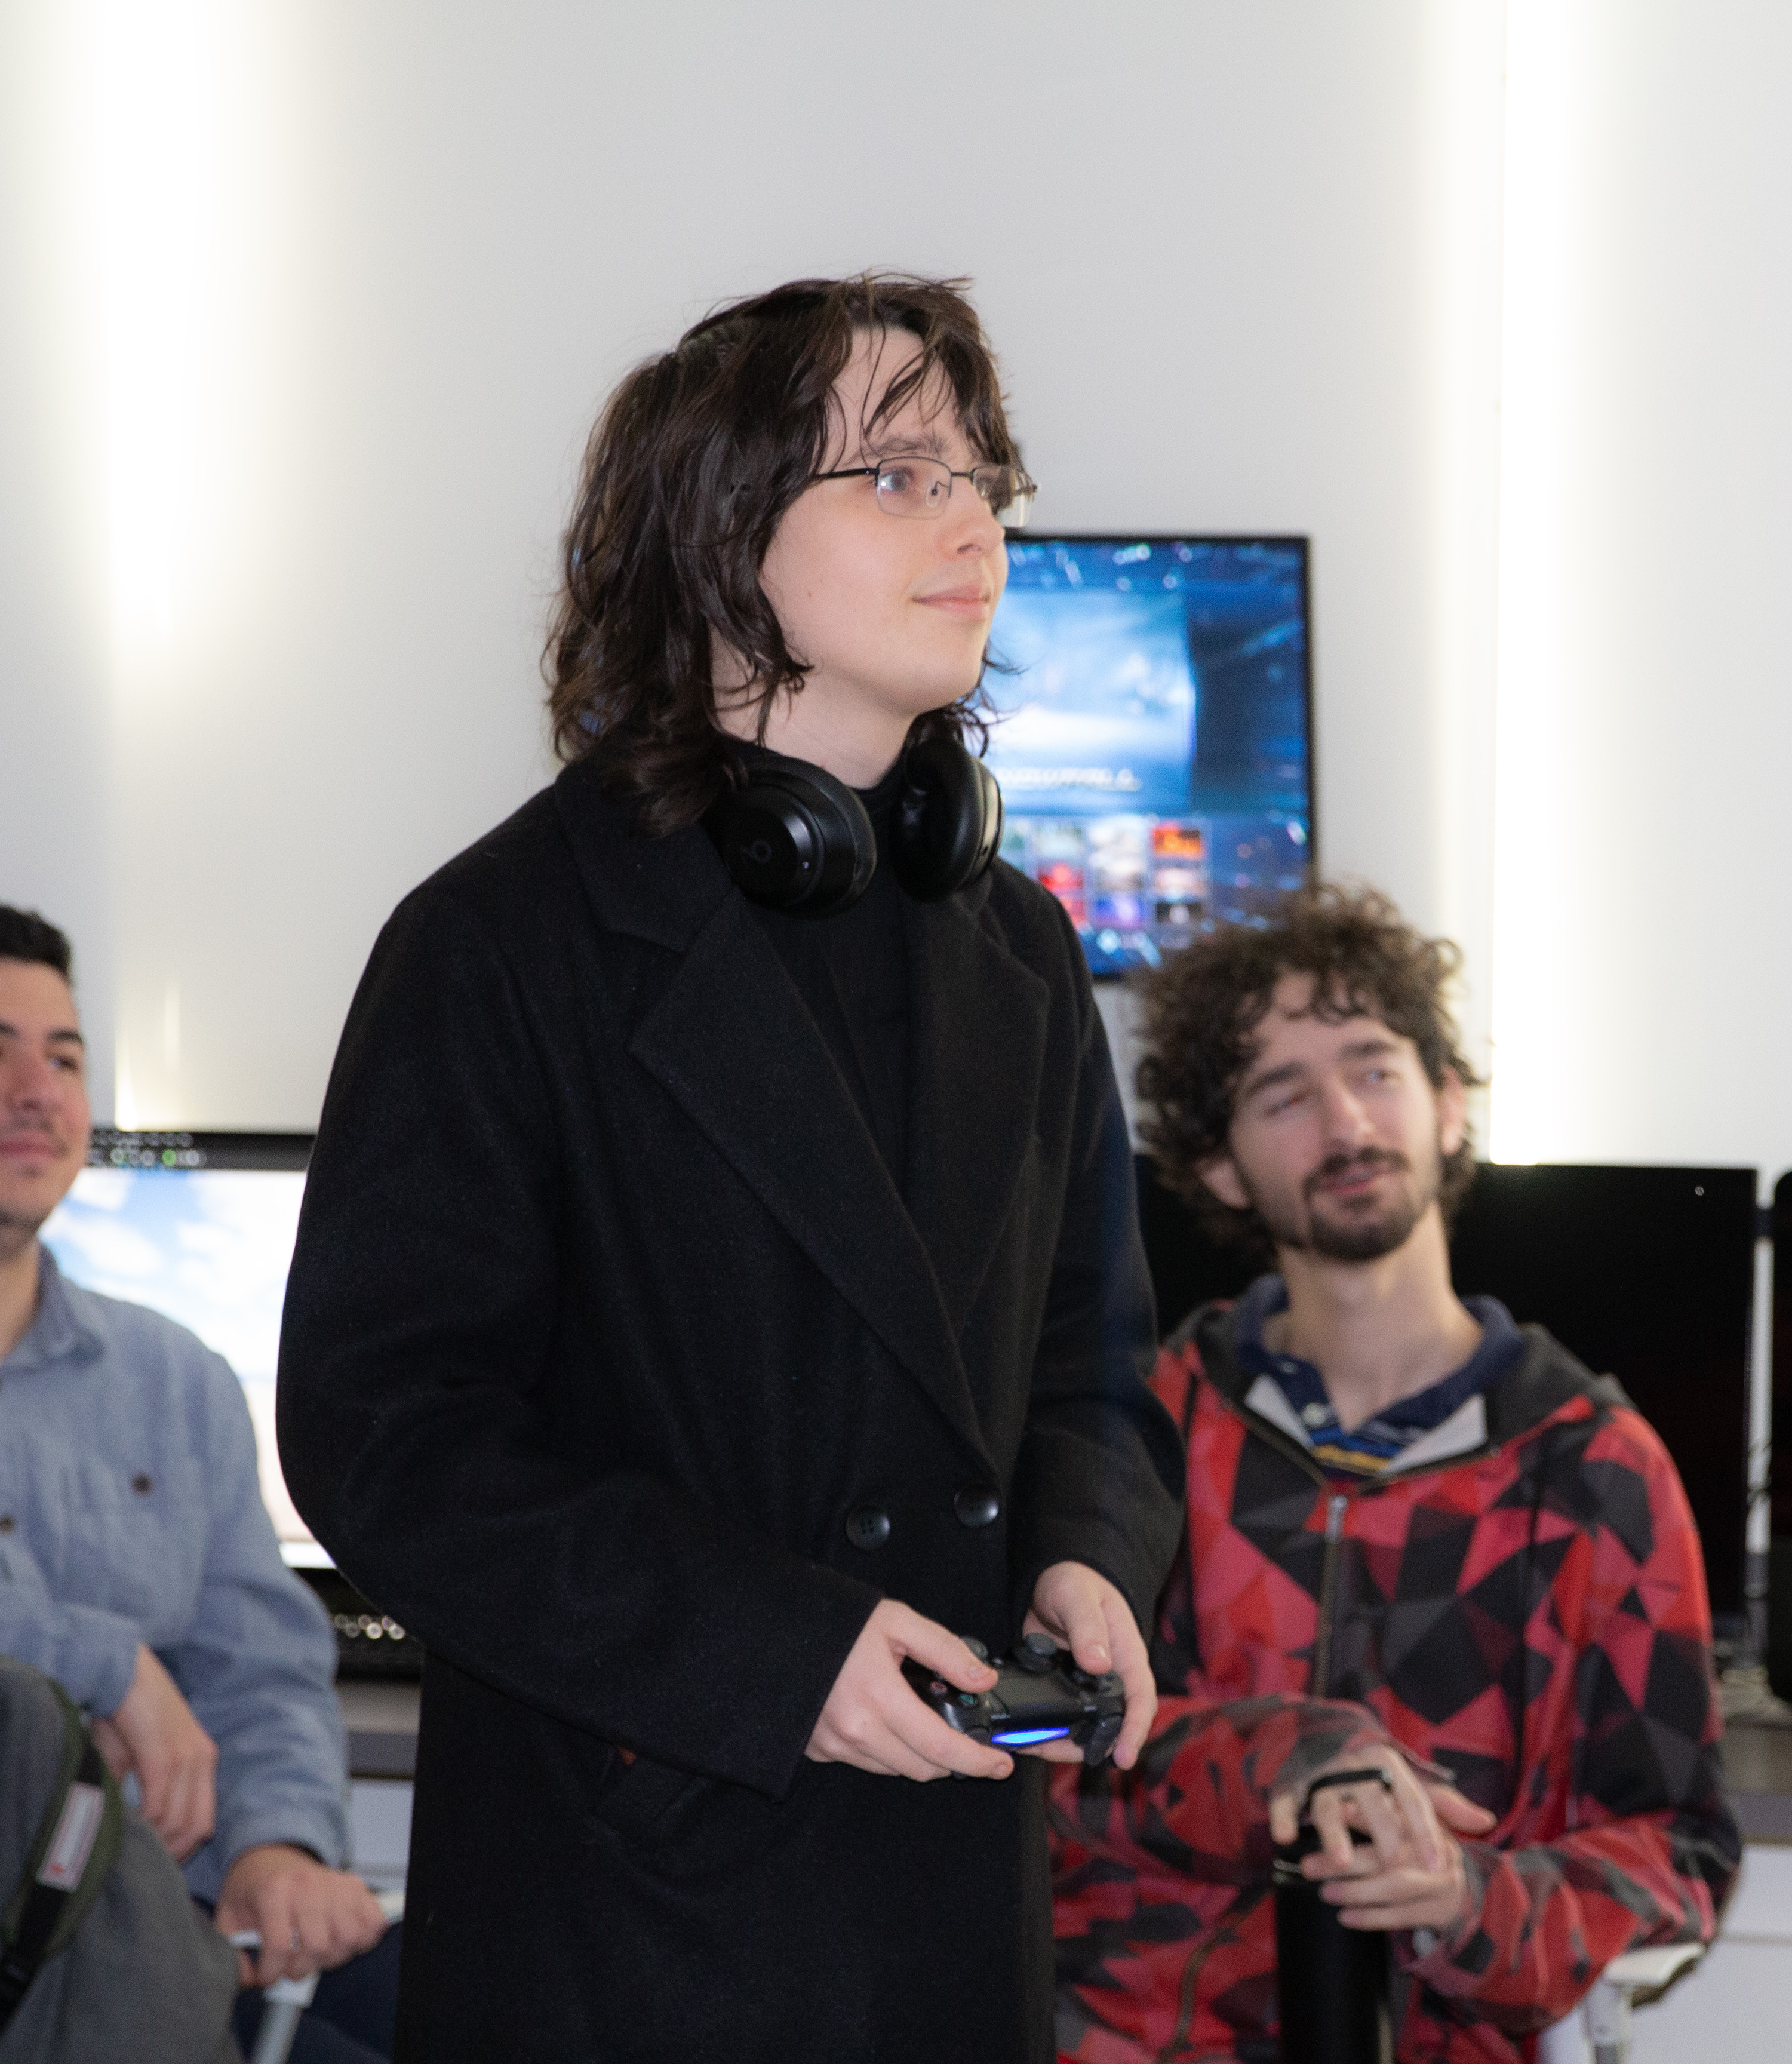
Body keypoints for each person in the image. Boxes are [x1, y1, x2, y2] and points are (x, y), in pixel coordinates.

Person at [276, 274, 1183, 2061]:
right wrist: (772, 1655)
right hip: (641, 1906)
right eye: (901, 475)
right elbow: (390, 1439)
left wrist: (1092, 1555)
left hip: (948, 1897)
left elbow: (1091, 1364)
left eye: (984, 474)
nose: (978, 521)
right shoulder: (502, 943)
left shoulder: (1020, 944)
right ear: (717, 539)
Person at [1049, 884, 1738, 2060]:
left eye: (1374, 1071)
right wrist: (1290, 1757)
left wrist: (1474, 1904)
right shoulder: (1137, 1431)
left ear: (1450, 1107)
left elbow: (1673, 1846)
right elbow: (1059, 1748)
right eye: (1285, 1094)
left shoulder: (1593, 1469)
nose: (1344, 1123)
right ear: (1216, 1167)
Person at [0, 898, 394, 2058]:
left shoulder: (177, 1378)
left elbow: (259, 1663)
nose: (38, 1092)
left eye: (64, 1058)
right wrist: (101, 1660)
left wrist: (279, 1846)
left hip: (179, 1934)